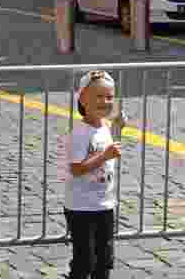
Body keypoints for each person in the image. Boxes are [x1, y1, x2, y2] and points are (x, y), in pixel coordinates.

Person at [61, 70, 125, 279]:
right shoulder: (79, 133)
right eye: (98, 96)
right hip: (81, 207)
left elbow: (108, 145)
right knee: (84, 260)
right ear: (83, 99)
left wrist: (118, 126)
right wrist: (104, 156)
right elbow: (76, 169)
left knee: (104, 259)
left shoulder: (104, 127)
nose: (105, 101)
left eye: (109, 97)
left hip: (104, 204)